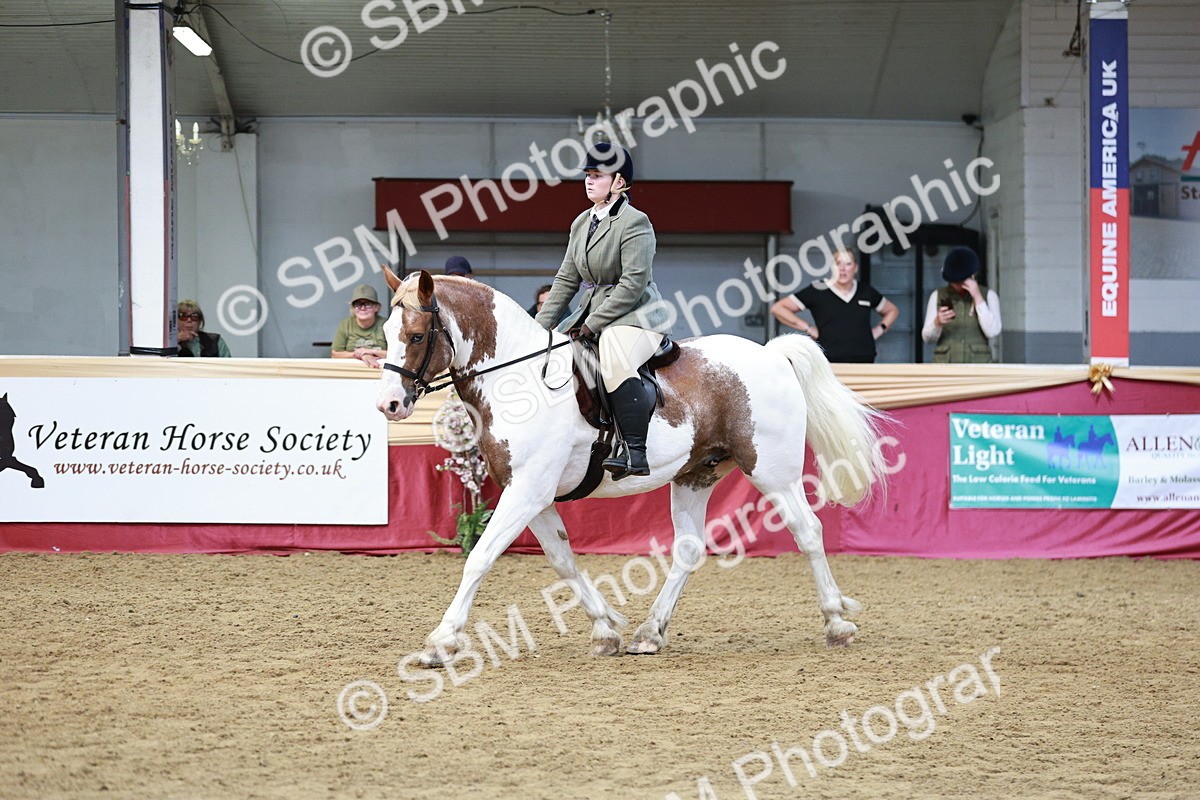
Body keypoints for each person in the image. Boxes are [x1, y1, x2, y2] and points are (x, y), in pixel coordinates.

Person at [535, 142, 672, 480]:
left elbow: (633, 284)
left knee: (613, 355)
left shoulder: (635, 222)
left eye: (597, 175)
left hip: (637, 315)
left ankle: (635, 450)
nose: (589, 180)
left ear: (619, 182)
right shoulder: (582, 223)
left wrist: (593, 324)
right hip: (591, 312)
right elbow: (566, 280)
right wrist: (537, 329)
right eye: (587, 175)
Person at [769, 248, 899, 363]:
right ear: (832, 267)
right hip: (828, 363)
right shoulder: (818, 289)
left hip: (864, 360)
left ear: (855, 267)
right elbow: (778, 308)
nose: (842, 268)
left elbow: (892, 310)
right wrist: (807, 327)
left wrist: (879, 329)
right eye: (838, 263)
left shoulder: (865, 291)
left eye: (848, 264)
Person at [921, 247, 1001, 363]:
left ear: (972, 276)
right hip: (946, 365)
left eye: (961, 280)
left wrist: (978, 297)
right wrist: (937, 322)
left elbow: (992, 332)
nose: (956, 284)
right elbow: (927, 338)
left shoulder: (989, 295)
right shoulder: (937, 295)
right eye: (953, 281)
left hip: (978, 365)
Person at [331, 284, 388, 368]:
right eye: (357, 304)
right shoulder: (346, 324)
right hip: (351, 370)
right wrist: (360, 355)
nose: (363, 308)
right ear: (353, 309)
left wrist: (371, 351)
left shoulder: (386, 325)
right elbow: (335, 354)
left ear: (377, 307)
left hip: (380, 369)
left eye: (368, 304)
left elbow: (398, 354)